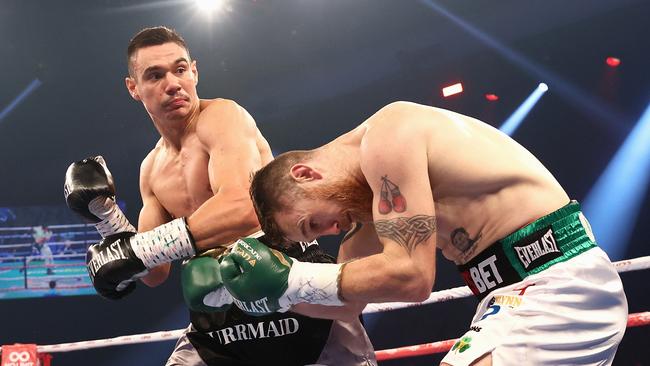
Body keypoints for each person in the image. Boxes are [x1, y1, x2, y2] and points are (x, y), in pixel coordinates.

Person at [222, 101, 628, 365]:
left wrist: (291, 278)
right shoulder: (369, 207)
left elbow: (412, 277)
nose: (330, 231)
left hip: (555, 279)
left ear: (306, 174)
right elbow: (346, 305)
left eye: (313, 223)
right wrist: (272, 300)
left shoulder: (388, 135)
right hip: (507, 297)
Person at [63, 27, 375, 365]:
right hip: (220, 310)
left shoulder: (223, 117)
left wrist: (137, 250)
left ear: (194, 71)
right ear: (133, 88)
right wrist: (107, 218)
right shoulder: (151, 169)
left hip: (290, 285)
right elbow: (155, 272)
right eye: (155, 75)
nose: (173, 83)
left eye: (180, 69)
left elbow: (244, 208)